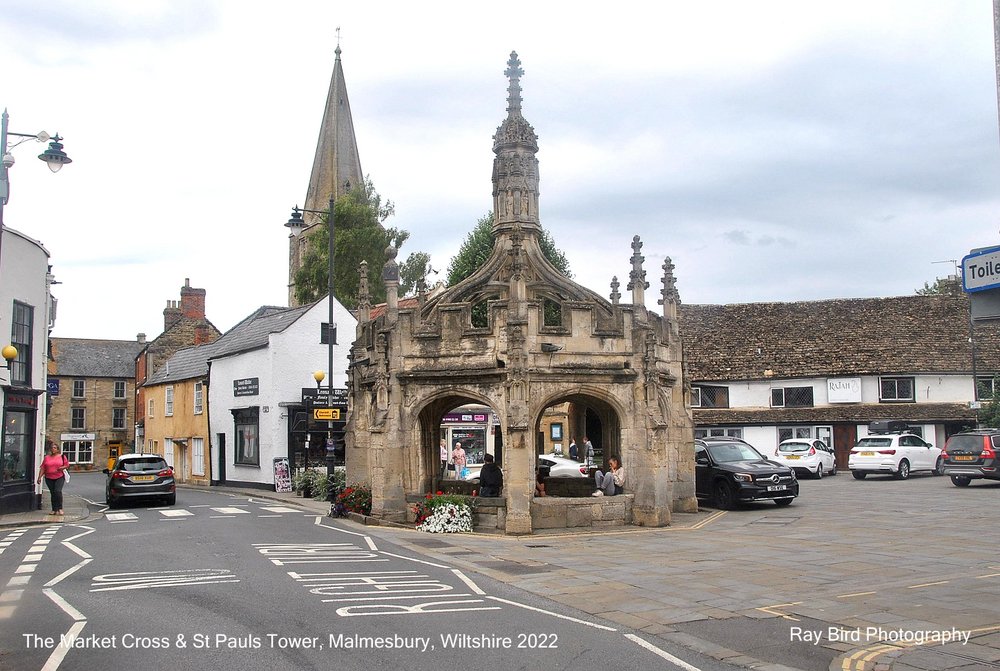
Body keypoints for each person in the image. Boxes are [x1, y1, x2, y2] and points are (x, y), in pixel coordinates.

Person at [36, 440, 69, 515]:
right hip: (49, 477)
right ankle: (54, 509)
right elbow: (43, 468)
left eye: (55, 448)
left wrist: (62, 468)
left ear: (58, 449)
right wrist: (39, 477)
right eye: (52, 448)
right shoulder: (47, 458)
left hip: (59, 476)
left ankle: (60, 508)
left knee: (57, 491)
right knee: (53, 493)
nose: (53, 449)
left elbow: (67, 465)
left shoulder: (62, 457)